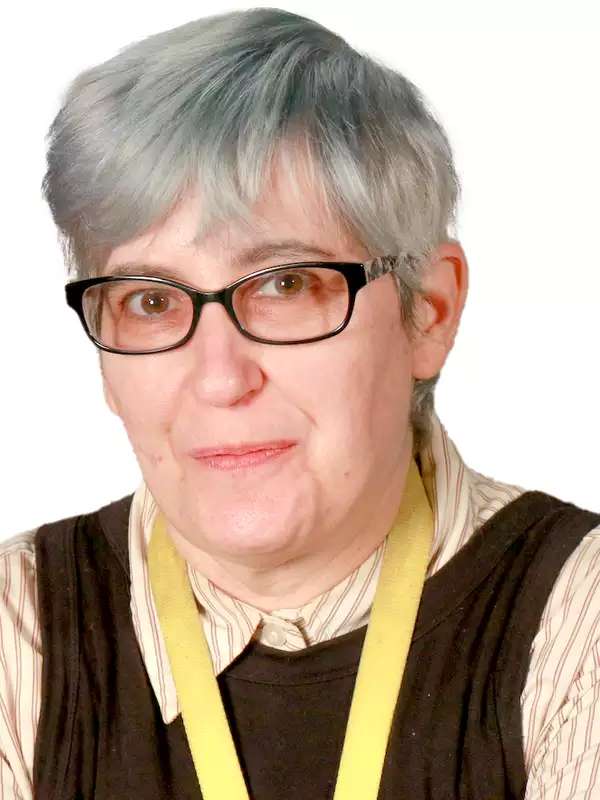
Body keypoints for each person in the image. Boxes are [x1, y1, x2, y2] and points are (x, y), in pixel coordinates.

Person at [1, 7, 599, 799]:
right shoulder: (19, 630)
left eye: (287, 285)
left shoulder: (578, 623)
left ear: (429, 311)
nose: (218, 377)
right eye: (149, 301)